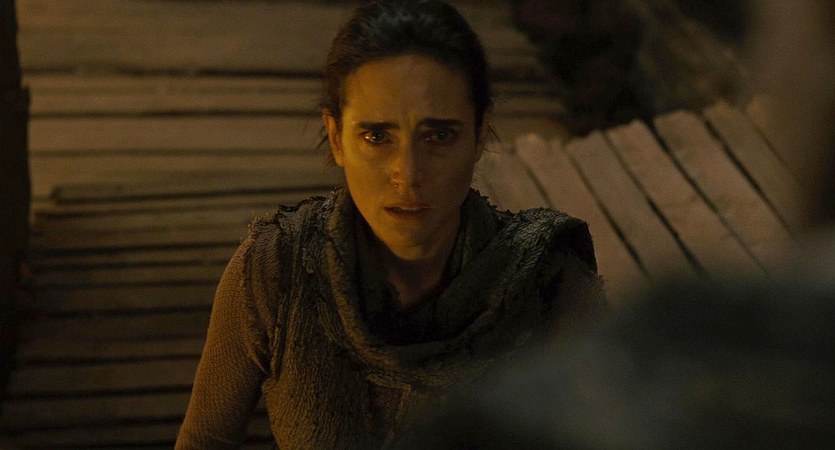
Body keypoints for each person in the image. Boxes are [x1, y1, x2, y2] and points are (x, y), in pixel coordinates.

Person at [175, 1, 605, 448]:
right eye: (377, 136)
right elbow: (206, 439)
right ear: (337, 137)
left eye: (439, 136)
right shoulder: (278, 274)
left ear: (480, 135)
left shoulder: (550, 286)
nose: (408, 174)